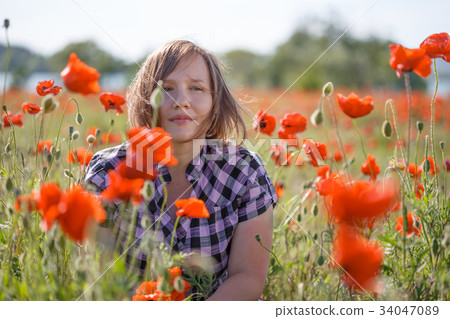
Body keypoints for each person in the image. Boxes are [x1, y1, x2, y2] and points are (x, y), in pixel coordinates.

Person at [84, 40, 277, 301]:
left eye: (196, 88)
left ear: (215, 100)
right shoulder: (108, 171)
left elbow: (248, 278)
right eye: (167, 88)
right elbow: (101, 278)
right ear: (147, 98)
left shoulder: (243, 171)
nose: (181, 101)